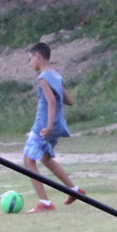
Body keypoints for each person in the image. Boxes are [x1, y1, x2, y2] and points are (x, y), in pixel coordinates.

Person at [23, 41, 85, 212]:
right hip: (57, 124)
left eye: (30, 58)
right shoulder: (56, 76)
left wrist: (48, 126)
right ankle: (74, 190)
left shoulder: (43, 77)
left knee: (28, 161)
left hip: (43, 125)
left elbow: (51, 101)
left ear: (38, 56)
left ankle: (45, 202)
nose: (30, 63)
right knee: (46, 158)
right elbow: (69, 100)